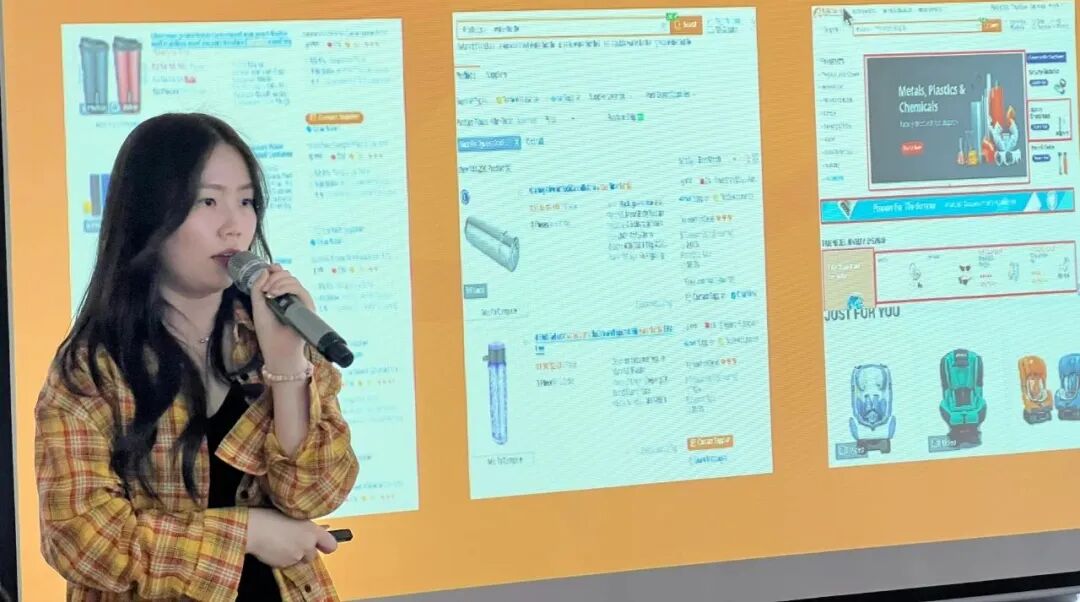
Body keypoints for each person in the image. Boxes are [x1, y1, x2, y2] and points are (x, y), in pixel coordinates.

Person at [34, 113, 359, 601]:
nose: (234, 226)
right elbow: (80, 537)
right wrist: (246, 534)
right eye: (208, 201)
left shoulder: (273, 336)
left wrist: (288, 367)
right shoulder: (92, 367)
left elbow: (315, 493)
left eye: (246, 202)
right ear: (150, 216)